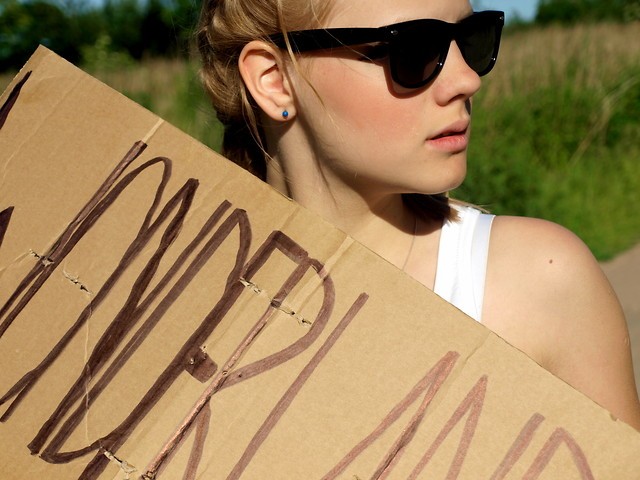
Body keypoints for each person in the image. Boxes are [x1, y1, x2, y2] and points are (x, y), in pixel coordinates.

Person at [196, 0, 640, 429]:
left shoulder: (539, 283)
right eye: (413, 49)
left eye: (472, 37)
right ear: (274, 80)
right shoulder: (188, 301)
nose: (467, 80)